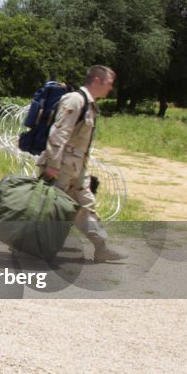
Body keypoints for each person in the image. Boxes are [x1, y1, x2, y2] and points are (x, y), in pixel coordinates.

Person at [36, 64, 126, 262]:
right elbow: (59, 133)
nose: (111, 88)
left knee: (86, 206)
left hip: (76, 169)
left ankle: (101, 247)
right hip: (60, 167)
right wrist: (52, 165)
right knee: (51, 210)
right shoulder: (75, 100)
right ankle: (30, 248)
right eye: (109, 83)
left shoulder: (90, 104)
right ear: (96, 81)